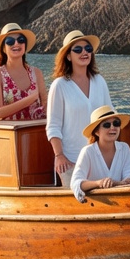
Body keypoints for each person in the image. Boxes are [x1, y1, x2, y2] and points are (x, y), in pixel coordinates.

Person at [46, 30, 112, 186]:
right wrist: (59, 155)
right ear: (68, 56)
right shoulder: (59, 85)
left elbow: (109, 115)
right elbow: (53, 126)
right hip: (70, 161)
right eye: (78, 49)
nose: (84, 52)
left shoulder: (99, 81)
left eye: (88, 49)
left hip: (99, 158)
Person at [71, 105, 130, 203]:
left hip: (122, 202)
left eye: (116, 123)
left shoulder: (124, 148)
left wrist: (118, 183)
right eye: (107, 125)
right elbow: (76, 183)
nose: (113, 127)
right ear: (97, 132)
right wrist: (99, 183)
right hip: (94, 204)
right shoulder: (87, 152)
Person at [0, 22, 45, 121]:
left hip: (35, 132)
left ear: (25, 46)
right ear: (4, 48)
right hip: (9, 134)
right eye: (10, 41)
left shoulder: (37, 73)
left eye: (21, 40)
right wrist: (29, 99)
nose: (16, 43)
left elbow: (46, 105)